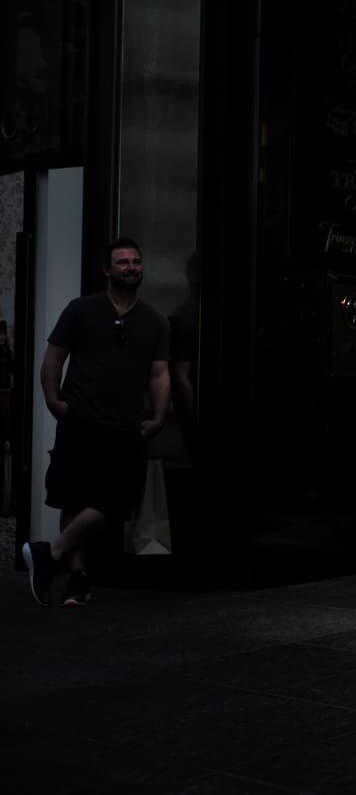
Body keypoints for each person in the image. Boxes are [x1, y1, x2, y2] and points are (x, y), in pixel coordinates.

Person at [22, 237, 171, 607]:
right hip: (80, 419)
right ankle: (75, 579)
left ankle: (49, 553)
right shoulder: (81, 309)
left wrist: (158, 416)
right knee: (73, 498)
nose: (131, 268)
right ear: (107, 270)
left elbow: (160, 374)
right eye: (123, 262)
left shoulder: (153, 320)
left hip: (126, 426)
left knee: (119, 500)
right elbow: (54, 356)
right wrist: (53, 399)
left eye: (136, 262)